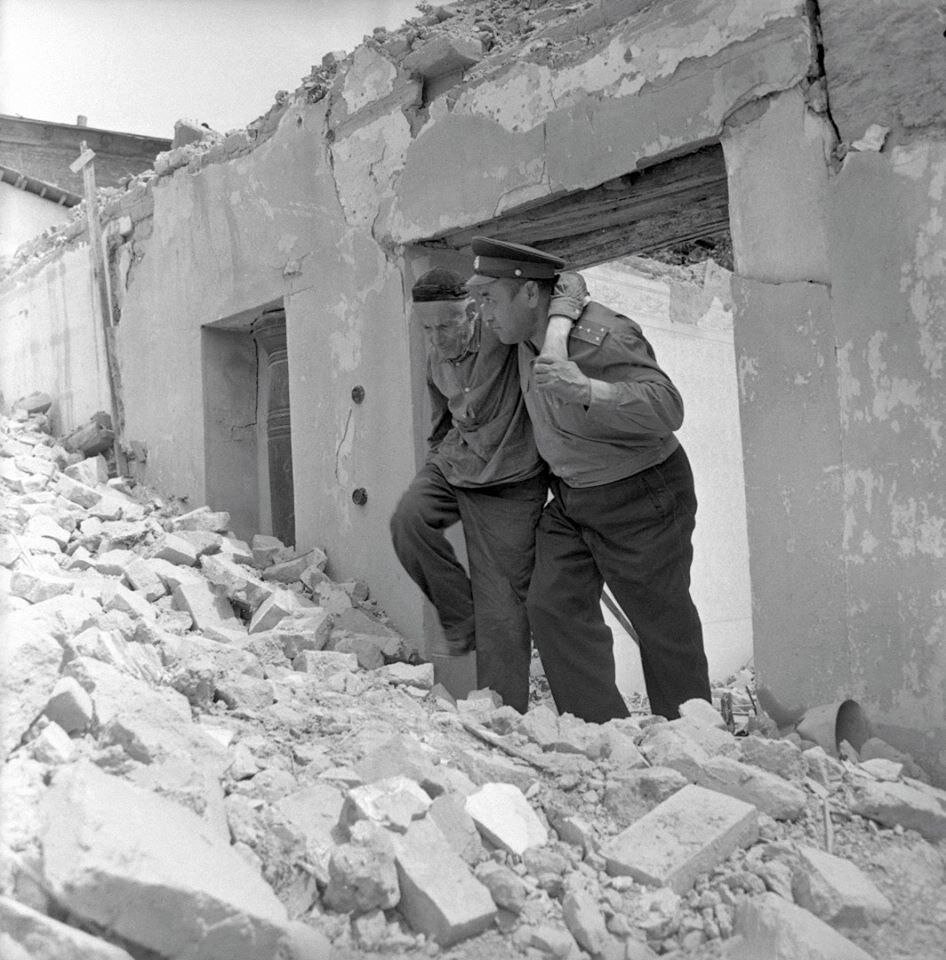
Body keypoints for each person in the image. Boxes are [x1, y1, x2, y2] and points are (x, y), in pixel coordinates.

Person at [467, 237, 711, 723]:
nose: (483, 313)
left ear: (529, 296)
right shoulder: (522, 331)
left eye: (489, 298)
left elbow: (669, 407)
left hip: (641, 493)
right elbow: (567, 280)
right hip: (573, 497)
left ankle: (694, 742)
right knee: (553, 605)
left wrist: (589, 389)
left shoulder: (603, 336)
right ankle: (601, 730)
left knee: (662, 623)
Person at [389, 267, 550, 713]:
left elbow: (568, 285)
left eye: (447, 324)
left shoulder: (505, 336)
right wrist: (437, 461)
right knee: (409, 519)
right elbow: (440, 422)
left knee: (502, 607)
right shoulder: (434, 358)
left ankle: (503, 714)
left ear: (474, 311)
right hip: (456, 465)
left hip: (511, 481)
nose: (437, 337)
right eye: (427, 327)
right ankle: (461, 619)